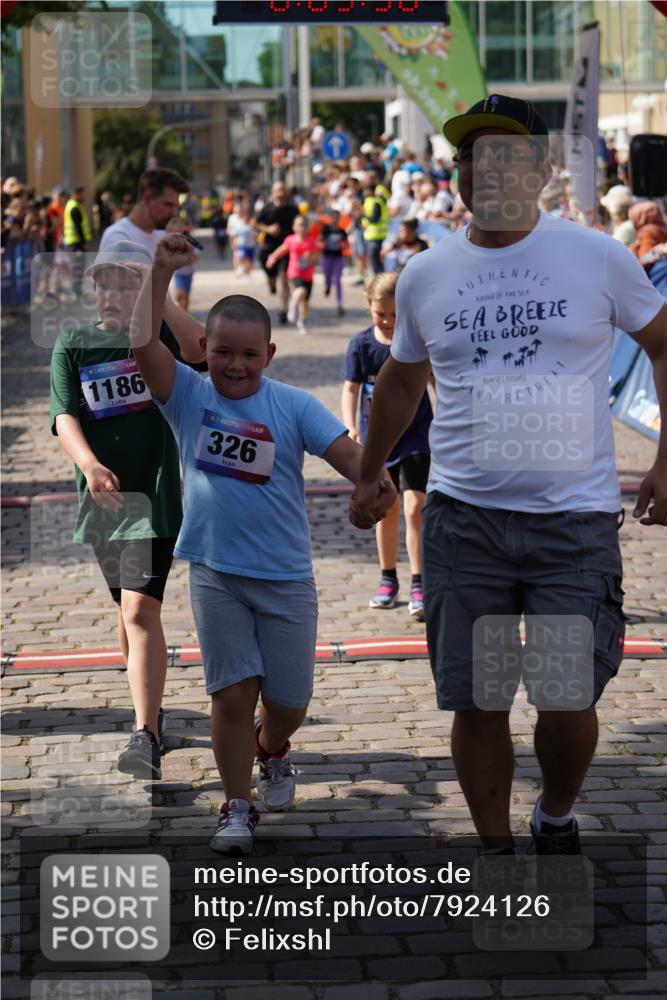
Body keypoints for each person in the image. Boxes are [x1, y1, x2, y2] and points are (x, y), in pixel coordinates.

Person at [349, 94, 667, 857]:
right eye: (472, 155)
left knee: (564, 699)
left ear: (541, 168)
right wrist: (367, 473)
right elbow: (398, 381)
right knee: (479, 700)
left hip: (572, 522)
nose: (485, 167)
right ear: (457, 172)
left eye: (504, 153)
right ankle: (493, 848)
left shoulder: (595, 256)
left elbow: (664, 344)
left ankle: (554, 813)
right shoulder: (426, 273)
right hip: (465, 524)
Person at [129, 234, 397, 853]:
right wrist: (161, 271)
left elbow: (356, 461)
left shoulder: (294, 406)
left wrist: (373, 491)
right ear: (203, 348)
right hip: (215, 571)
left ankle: (272, 748)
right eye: (223, 352)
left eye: (249, 354)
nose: (235, 365)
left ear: (269, 354)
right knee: (229, 693)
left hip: (284, 577)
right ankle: (235, 805)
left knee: (289, 701)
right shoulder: (188, 397)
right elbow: (143, 343)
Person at [49, 240, 206, 780]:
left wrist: (158, 284)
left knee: (140, 612)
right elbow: (65, 415)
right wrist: (90, 465)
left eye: (124, 282)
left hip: (156, 495)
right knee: (127, 612)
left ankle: (144, 734)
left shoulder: (155, 337)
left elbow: (201, 348)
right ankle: (152, 706)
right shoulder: (74, 342)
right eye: (104, 282)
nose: (112, 292)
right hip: (106, 502)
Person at [342, 272, 432, 620]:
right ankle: (388, 577)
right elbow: (350, 388)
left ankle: (419, 581)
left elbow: (438, 379)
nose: (389, 322)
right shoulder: (362, 346)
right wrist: (350, 425)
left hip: (417, 435)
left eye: (396, 315)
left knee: (414, 507)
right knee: (387, 509)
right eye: (382, 314)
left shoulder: (415, 343)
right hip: (378, 438)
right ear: (369, 308)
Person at [99, 168, 190, 258]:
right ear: (147, 199)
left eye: (176, 207)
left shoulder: (162, 234)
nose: (173, 214)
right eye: (168, 205)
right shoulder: (117, 238)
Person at [266, 214, 319, 336]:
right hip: (294, 271)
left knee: (305, 302)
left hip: (308, 274)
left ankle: (302, 321)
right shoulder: (290, 240)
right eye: (300, 225)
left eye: (305, 225)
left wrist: (311, 259)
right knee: (300, 290)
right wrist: (272, 258)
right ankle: (292, 305)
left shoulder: (311, 241)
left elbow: (316, 258)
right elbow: (281, 250)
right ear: (294, 227)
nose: (303, 227)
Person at [254, 181, 299, 324]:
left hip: (286, 248)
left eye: (282, 189)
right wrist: (268, 229)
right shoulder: (266, 208)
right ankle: (271, 285)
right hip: (268, 247)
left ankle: (283, 310)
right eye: (277, 190)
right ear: (273, 192)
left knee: (284, 277)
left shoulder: (293, 209)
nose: (280, 192)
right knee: (271, 276)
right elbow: (255, 223)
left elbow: (299, 224)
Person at [318, 208, 349, 317]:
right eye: (333, 217)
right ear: (329, 218)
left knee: (337, 280)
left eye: (337, 217)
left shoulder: (342, 231)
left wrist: (344, 246)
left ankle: (339, 304)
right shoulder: (325, 230)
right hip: (326, 257)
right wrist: (322, 245)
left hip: (338, 257)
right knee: (327, 277)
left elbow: (347, 244)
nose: (335, 219)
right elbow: (319, 241)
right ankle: (327, 286)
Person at [63, 185, 92, 295]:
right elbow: (78, 227)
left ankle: (77, 288)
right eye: (81, 194)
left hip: (75, 243)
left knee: (77, 266)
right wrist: (84, 242)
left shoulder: (74, 205)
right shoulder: (74, 207)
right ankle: (76, 290)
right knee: (78, 266)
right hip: (76, 243)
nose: (83, 196)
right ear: (75, 194)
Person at [361, 181, 389, 275]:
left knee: (377, 263)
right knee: (373, 262)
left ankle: (380, 281)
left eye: (367, 190)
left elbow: (374, 219)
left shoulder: (377, 202)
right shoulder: (368, 201)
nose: (365, 192)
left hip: (377, 236)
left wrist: (363, 214)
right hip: (370, 235)